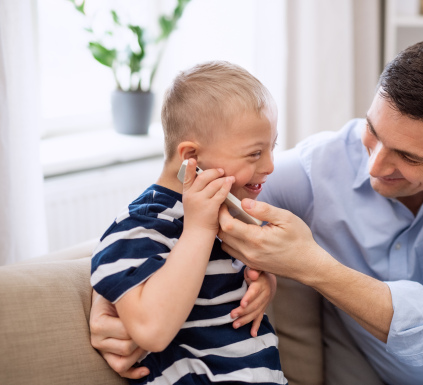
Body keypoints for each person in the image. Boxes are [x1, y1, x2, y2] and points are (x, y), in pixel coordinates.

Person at [91, 36, 423, 384]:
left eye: (409, 157)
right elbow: (181, 199)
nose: (377, 165)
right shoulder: (315, 170)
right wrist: (108, 294)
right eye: (374, 133)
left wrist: (309, 265)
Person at [90, 61, 286, 385]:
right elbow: (151, 332)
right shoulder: (138, 229)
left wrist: (266, 282)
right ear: (190, 157)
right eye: (254, 154)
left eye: (272, 147)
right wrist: (198, 229)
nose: (270, 165)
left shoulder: (235, 213)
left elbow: (251, 273)